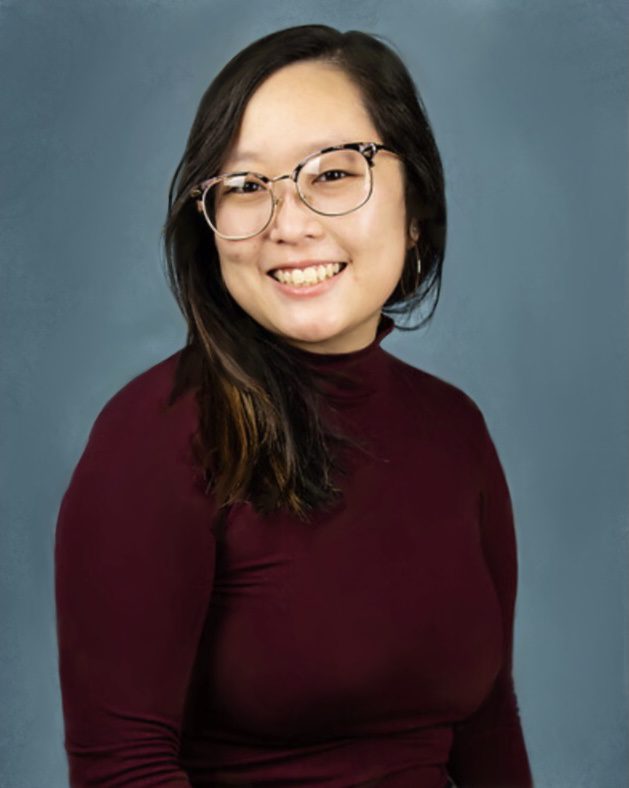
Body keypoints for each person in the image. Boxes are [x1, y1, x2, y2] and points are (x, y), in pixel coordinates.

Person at [54, 24, 534, 788]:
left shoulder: (455, 429)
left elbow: (484, 723)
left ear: (416, 210)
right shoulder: (154, 436)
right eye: (245, 187)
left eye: (334, 175)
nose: (289, 224)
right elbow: (124, 771)